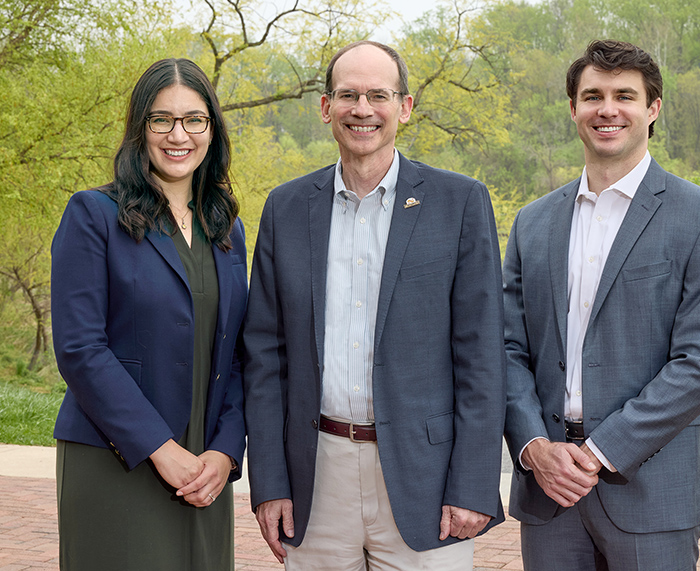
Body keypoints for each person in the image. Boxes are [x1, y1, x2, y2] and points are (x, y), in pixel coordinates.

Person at [243, 40, 506, 569]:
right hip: (315, 476)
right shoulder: (286, 208)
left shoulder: (459, 203)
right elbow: (264, 356)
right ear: (326, 107)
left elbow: (482, 354)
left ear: (404, 107)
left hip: (426, 479)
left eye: (378, 95)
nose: (362, 109)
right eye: (348, 95)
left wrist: (474, 483)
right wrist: (268, 481)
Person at [503, 40, 700, 570]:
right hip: (549, 488)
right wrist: (534, 449)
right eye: (592, 96)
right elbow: (505, 348)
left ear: (652, 109)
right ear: (573, 109)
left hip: (652, 486)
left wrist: (598, 452)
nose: (606, 109)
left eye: (624, 96)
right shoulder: (533, 222)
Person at [51, 58, 247, 571]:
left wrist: (225, 453)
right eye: (161, 119)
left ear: (212, 130)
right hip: (118, 459)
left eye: (194, 120)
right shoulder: (93, 215)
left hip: (204, 472)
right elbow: (80, 349)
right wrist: (161, 449)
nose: (177, 134)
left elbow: (240, 352)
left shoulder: (226, 228)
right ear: (140, 129)